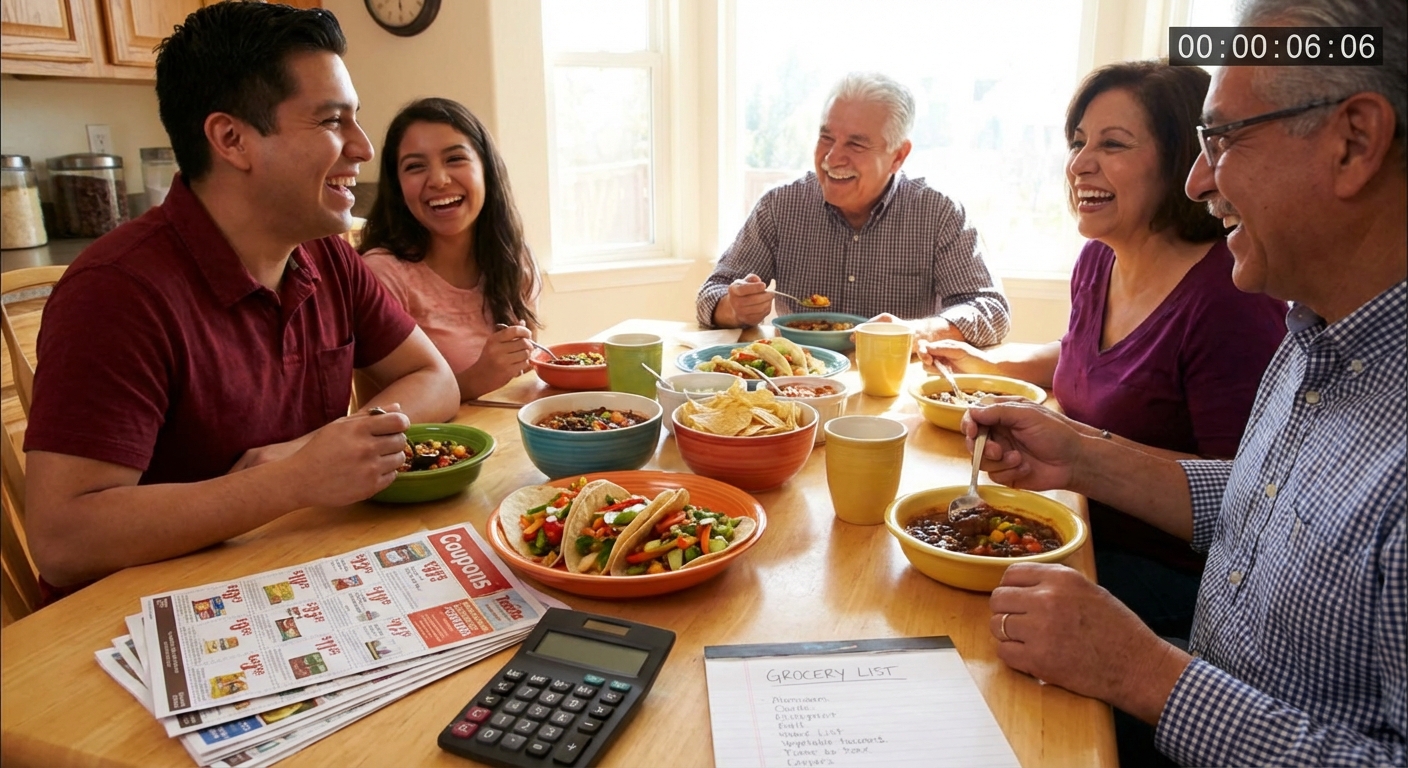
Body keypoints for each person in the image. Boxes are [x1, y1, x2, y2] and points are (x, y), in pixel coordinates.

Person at [965, 0, 1406, 764]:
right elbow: (1264, 500)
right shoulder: (1314, 335)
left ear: (1354, 142)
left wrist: (1143, 673)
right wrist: (1080, 458)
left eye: (1225, 138)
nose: (1199, 180)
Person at [22, 2, 459, 596]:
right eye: (332, 121)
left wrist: (319, 453)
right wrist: (286, 483)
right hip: (138, 625)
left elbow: (433, 377)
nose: (362, 148)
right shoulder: (116, 291)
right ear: (231, 139)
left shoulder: (323, 253)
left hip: (286, 572)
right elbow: (63, 541)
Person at [922, 61, 1288, 639]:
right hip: (1082, 523)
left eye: (1112, 144)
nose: (1079, 163)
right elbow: (1083, 357)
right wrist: (986, 362)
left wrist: (1086, 454)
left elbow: (1250, 491)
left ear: (1182, 163)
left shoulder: (1229, 299)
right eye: (1077, 142)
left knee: (958, 610)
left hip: (1173, 577)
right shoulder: (1100, 259)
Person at [695, 72, 1010, 347]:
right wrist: (734, 307)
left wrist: (917, 332)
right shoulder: (781, 206)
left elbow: (990, 310)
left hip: (894, 388)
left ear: (898, 156)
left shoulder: (938, 213)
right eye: (826, 137)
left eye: (856, 145)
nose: (832, 158)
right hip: (797, 385)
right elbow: (711, 293)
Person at [359, 97, 540, 401]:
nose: (439, 180)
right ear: (398, 186)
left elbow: (526, 384)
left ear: (486, 168)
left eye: (455, 159)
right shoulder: (381, 274)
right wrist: (477, 379)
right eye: (415, 166)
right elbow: (376, 415)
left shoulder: (515, 259)